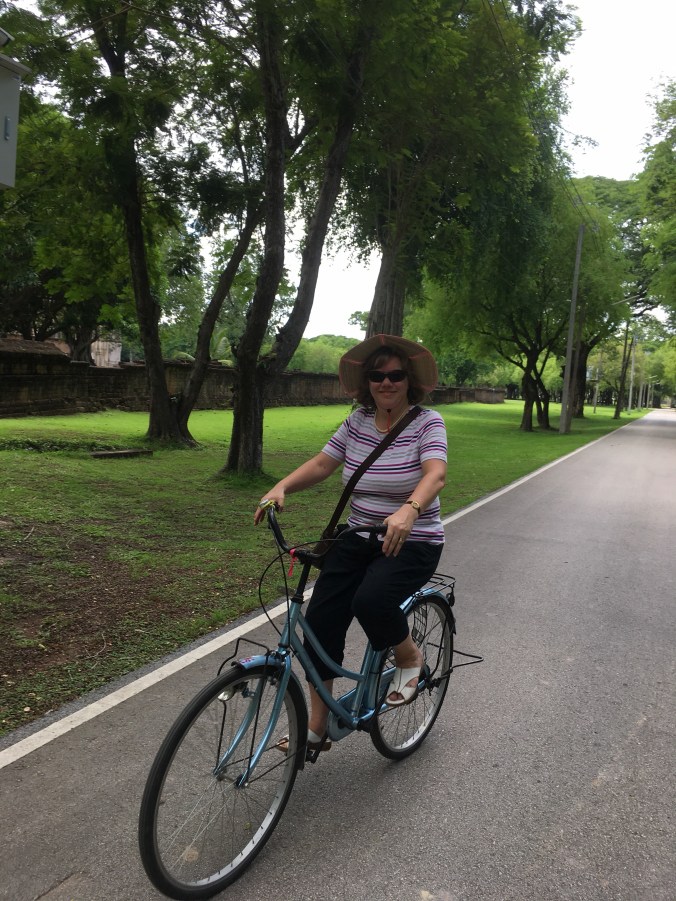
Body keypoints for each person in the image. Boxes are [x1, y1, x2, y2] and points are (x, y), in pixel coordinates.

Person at [254, 334, 447, 750]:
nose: (386, 382)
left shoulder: (428, 422)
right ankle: (316, 727)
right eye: (377, 375)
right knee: (319, 623)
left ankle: (409, 656)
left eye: (395, 375)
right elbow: (323, 463)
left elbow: (436, 474)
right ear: (367, 382)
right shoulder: (357, 422)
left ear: (409, 380)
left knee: (371, 600)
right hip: (358, 536)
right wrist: (281, 486)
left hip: (413, 540)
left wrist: (409, 509)